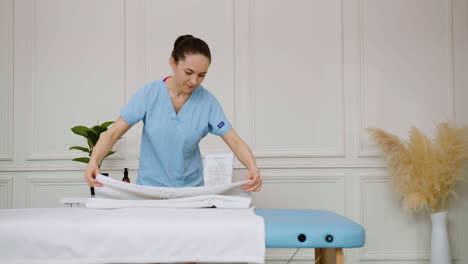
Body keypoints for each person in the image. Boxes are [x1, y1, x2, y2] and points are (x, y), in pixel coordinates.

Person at [84, 35, 262, 192]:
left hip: (190, 193)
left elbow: (234, 140)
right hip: (149, 191)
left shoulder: (207, 102)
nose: (194, 81)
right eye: (188, 72)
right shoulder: (149, 94)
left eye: (202, 75)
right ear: (172, 62)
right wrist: (94, 162)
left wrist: (253, 168)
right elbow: (113, 132)